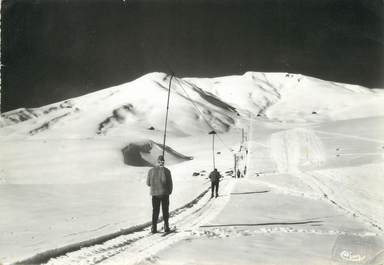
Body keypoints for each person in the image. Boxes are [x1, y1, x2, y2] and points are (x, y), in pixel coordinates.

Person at [146, 155, 173, 233]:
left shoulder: (151, 171)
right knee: (165, 210)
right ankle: (166, 226)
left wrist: (154, 184)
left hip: (155, 194)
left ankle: (154, 227)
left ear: (157, 161)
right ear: (163, 162)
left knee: (155, 211)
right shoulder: (167, 171)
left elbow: (148, 183)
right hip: (165, 194)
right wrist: (169, 191)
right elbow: (170, 183)